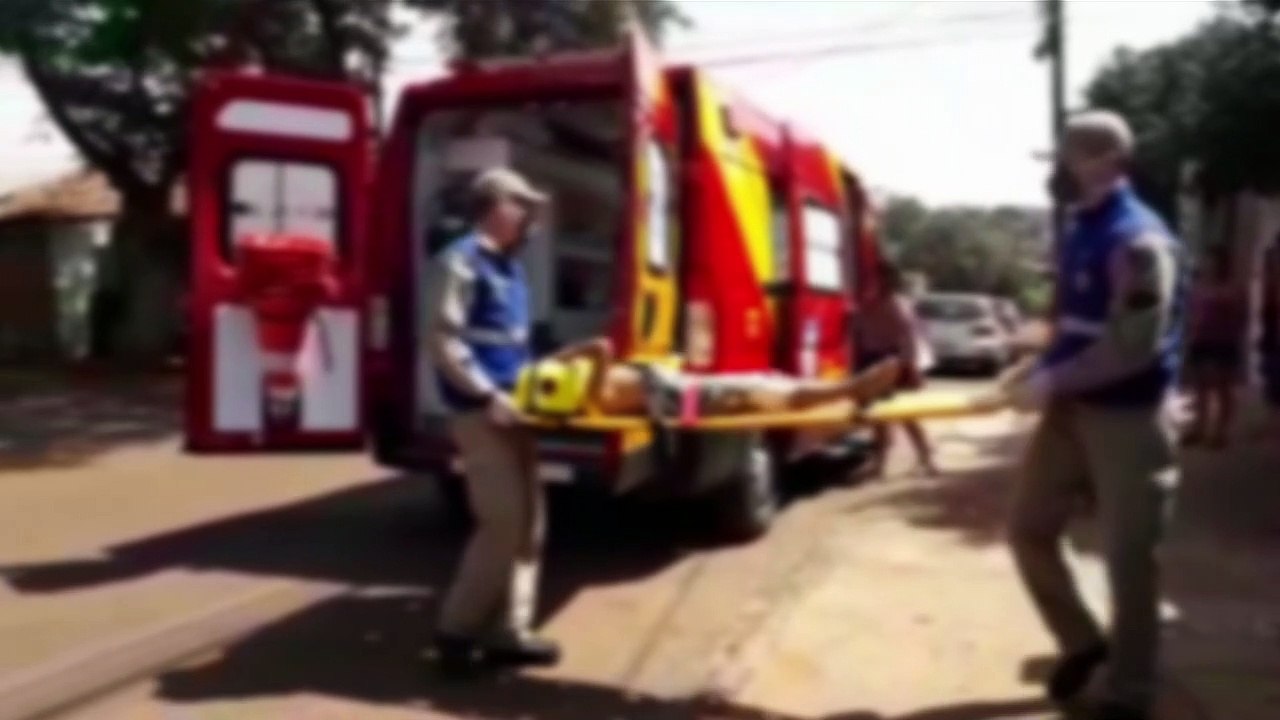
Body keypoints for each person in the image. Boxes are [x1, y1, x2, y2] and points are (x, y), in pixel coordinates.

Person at [1002, 110, 1187, 720]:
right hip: (1070, 410)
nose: (1061, 169)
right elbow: (1073, 324)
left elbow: (1133, 345)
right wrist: (1035, 367)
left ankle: (1130, 692)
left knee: (1130, 560)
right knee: (1028, 529)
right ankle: (1083, 642)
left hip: (1127, 419)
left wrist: (1053, 379)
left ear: (1109, 161)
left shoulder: (1139, 240)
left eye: (1071, 157)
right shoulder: (1082, 228)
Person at [426, 167, 559, 674]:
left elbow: (512, 344)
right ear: (497, 206)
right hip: (481, 414)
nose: (528, 217)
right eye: (522, 205)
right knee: (502, 522)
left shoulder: (511, 268)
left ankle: (509, 631)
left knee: (529, 525)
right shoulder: (460, 261)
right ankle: (456, 633)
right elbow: (442, 340)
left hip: (517, 411)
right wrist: (485, 396)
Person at [517, 337, 902, 421]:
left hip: (683, 392)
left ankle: (852, 391)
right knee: (766, 393)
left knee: (764, 382)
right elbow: (601, 346)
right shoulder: (592, 394)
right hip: (686, 399)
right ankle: (852, 389)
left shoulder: (588, 394)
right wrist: (552, 358)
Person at [856, 261, 938, 477]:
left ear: (889, 280)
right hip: (872, 361)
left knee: (907, 414)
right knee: (878, 417)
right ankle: (880, 464)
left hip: (894, 361)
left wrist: (909, 367)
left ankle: (927, 458)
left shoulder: (897, 304)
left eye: (880, 277)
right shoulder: (866, 303)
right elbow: (860, 333)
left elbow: (909, 338)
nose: (875, 282)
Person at [1182, 247, 1247, 448]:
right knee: (1199, 387)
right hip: (1200, 341)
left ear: (1222, 264)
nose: (1209, 265)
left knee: (1222, 389)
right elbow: (1191, 314)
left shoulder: (1233, 288)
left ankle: (1220, 432)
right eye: (1207, 260)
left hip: (1223, 342)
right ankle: (1198, 427)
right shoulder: (1198, 286)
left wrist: (1236, 338)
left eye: (1213, 261)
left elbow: (1240, 317)